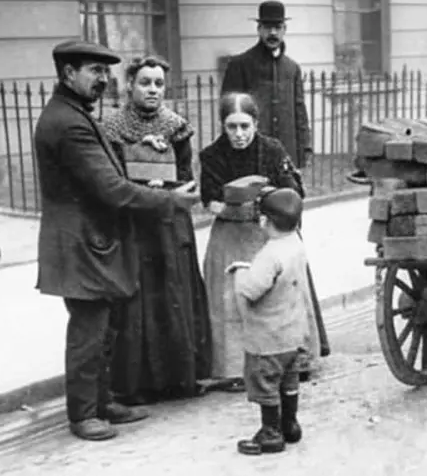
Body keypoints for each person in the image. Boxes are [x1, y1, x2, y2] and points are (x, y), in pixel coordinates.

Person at [34, 40, 203, 441]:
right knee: (88, 330)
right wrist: (170, 201)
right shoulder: (69, 123)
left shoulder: (74, 113)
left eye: (106, 72)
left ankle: (101, 400)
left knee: (105, 326)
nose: (103, 79)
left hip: (89, 240)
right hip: (80, 243)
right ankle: (83, 413)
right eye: (94, 71)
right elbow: (111, 188)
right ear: (67, 73)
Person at [100, 55, 213, 405]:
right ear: (130, 85)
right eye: (145, 82)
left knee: (174, 294)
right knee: (139, 299)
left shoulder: (176, 126)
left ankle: (179, 378)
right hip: (135, 225)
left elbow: (186, 177)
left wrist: (170, 190)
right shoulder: (112, 127)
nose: (153, 90)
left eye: (159, 84)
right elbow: (113, 181)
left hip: (170, 223)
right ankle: (139, 384)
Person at [199, 92, 322, 393]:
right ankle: (234, 368)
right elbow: (208, 199)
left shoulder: (272, 150)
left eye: (245, 126)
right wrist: (231, 206)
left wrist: (268, 198)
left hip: (271, 231)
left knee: (281, 296)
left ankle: (294, 358)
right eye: (231, 127)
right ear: (222, 126)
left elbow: (293, 192)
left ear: (256, 123)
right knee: (235, 298)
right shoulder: (212, 155)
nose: (239, 134)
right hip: (231, 234)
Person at [227, 187, 311, 455]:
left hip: (269, 338)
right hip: (292, 334)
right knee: (288, 381)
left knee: (266, 384)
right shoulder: (296, 245)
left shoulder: (270, 253)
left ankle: (270, 433)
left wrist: (240, 273)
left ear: (264, 221)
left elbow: (251, 291)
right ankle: (290, 425)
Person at [220, 0, 312, 169]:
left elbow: (299, 111)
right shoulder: (240, 65)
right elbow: (228, 111)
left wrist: (305, 147)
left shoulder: (292, 68)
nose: (272, 33)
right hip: (251, 152)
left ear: (285, 29)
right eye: (267, 27)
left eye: (277, 27)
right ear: (259, 30)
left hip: (286, 151)